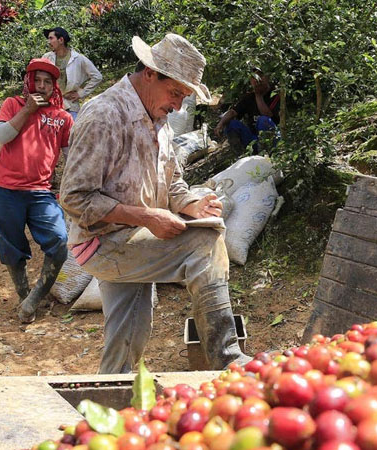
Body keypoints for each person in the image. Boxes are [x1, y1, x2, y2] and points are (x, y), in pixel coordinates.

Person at [60, 34, 251, 374]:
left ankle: (110, 394)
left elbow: (172, 181)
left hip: (132, 238)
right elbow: (75, 198)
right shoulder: (104, 115)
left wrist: (192, 204)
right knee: (205, 245)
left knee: (128, 338)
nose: (177, 105)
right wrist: (148, 217)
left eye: (184, 96)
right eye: (175, 92)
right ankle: (228, 359)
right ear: (149, 73)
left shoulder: (158, 118)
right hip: (102, 241)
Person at [0, 58, 73, 323]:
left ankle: (34, 298)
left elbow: (71, 156)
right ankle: (24, 295)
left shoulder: (62, 117)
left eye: (48, 82)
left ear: (54, 86)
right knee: (10, 247)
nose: (42, 86)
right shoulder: (13, 104)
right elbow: (1, 137)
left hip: (41, 193)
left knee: (59, 241)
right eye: (37, 80)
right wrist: (27, 109)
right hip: (4, 189)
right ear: (28, 82)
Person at [213, 68, 280, 153]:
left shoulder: (275, 95)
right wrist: (220, 124)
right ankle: (241, 154)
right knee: (232, 124)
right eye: (254, 77)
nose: (258, 80)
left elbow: (267, 114)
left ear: (267, 77)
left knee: (263, 120)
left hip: (272, 139)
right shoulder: (249, 98)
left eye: (260, 75)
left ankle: (266, 153)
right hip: (253, 139)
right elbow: (233, 112)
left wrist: (258, 95)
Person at [42, 27, 103, 120]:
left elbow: (97, 77)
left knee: (73, 128)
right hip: (50, 105)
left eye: (51, 38)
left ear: (61, 40)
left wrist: (81, 93)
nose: (48, 42)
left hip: (70, 106)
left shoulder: (78, 58)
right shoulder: (47, 57)